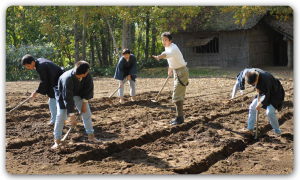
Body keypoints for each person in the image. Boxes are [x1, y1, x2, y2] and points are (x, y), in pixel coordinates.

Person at [52, 61, 98, 149]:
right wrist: (72, 116)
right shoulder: (67, 78)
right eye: (87, 71)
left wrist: (84, 104)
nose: (88, 72)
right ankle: (57, 141)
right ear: (83, 73)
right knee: (61, 115)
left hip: (78, 93)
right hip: (63, 95)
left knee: (87, 113)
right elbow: (68, 98)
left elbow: (88, 90)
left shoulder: (87, 76)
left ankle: (91, 136)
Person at [152, 32, 189, 125]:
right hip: (176, 71)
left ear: (170, 40)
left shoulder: (173, 48)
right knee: (177, 95)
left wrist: (159, 57)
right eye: (162, 40)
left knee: (176, 96)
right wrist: (170, 69)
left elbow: (166, 54)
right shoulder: (167, 47)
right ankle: (179, 117)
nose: (163, 41)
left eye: (165, 40)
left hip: (181, 72)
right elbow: (170, 59)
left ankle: (180, 118)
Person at [21, 54, 64, 125]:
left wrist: (36, 92)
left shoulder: (41, 66)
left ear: (32, 62)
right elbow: (46, 79)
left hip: (59, 82)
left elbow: (44, 81)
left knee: (54, 101)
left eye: (28, 66)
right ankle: (57, 120)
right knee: (54, 101)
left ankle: (56, 120)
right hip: (56, 80)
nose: (28, 68)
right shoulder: (39, 61)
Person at [242, 69, 285, 135]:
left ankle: (277, 131)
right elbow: (245, 72)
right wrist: (257, 88)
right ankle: (250, 129)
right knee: (252, 107)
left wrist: (260, 103)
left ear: (256, 79)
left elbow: (267, 94)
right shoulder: (251, 72)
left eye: (254, 84)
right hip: (263, 92)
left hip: (275, 94)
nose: (253, 85)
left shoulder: (266, 79)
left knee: (269, 112)